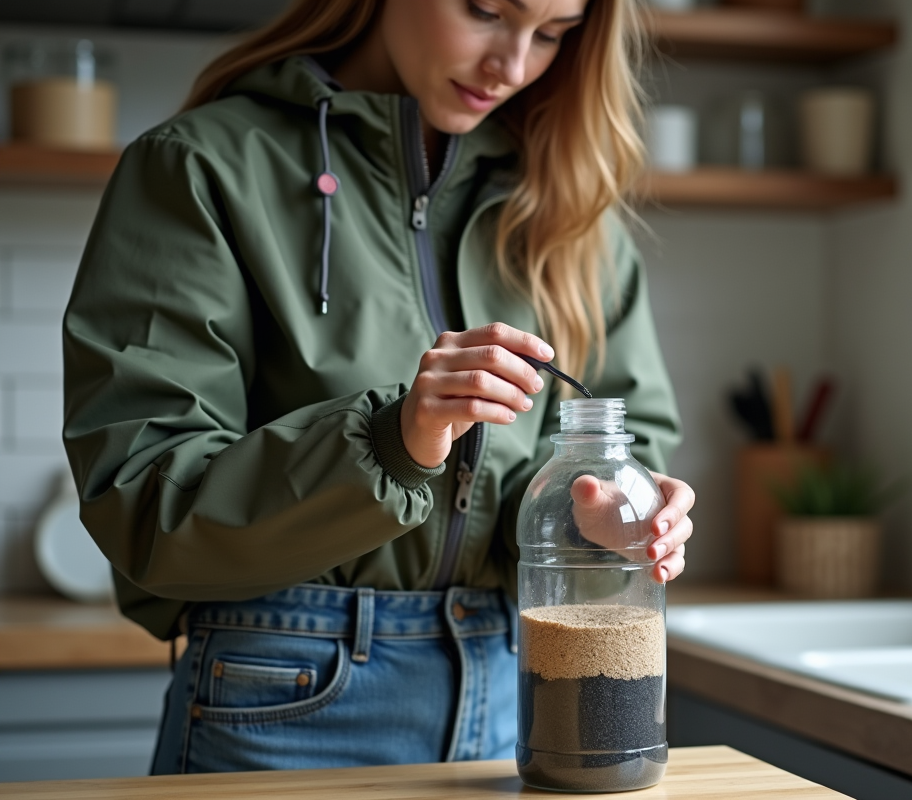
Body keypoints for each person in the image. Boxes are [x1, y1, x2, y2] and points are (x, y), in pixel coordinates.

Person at [62, 0, 693, 776]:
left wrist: (605, 513)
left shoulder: (566, 204)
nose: (514, 63)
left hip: (521, 689)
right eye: (488, 11)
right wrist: (393, 440)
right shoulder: (199, 167)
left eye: (554, 33)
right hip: (282, 700)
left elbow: (629, 439)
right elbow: (143, 504)